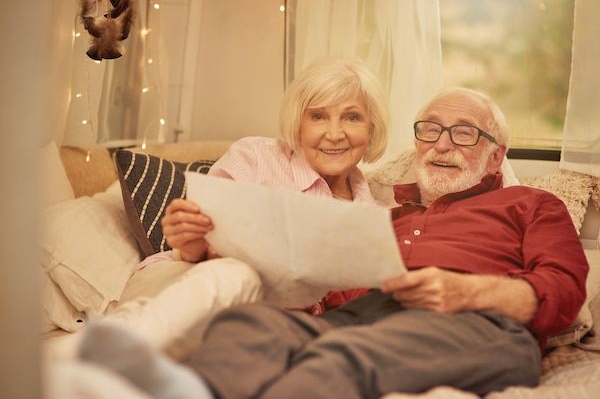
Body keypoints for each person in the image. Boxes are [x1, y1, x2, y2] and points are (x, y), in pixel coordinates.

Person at [78, 86, 588, 399]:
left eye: (463, 134)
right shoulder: (384, 217)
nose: (441, 145)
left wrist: (469, 294)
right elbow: (332, 295)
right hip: (363, 318)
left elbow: (563, 292)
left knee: (345, 353)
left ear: (496, 156)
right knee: (252, 324)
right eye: (430, 131)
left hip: (479, 325)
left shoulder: (532, 205)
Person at [46, 56, 390, 363]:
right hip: (188, 279)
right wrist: (193, 243)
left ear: (371, 128)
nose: (334, 133)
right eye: (318, 116)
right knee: (239, 275)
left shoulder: (375, 215)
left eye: (352, 117)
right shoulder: (256, 157)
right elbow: (203, 245)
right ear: (298, 123)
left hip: (270, 323)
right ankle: (86, 358)